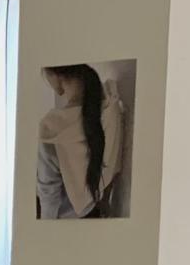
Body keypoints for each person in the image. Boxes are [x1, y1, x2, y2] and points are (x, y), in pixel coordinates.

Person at [37, 63, 125, 218]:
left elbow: (49, 200)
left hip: (67, 227)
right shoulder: (112, 106)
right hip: (104, 216)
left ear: (55, 75)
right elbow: (113, 169)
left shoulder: (51, 130)